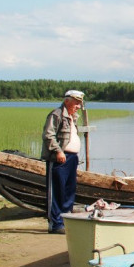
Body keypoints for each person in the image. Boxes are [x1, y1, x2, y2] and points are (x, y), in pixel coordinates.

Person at [41, 90, 84, 234]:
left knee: (69, 191)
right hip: (59, 157)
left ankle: (66, 221)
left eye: (80, 103)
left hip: (72, 158)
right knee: (57, 191)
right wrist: (58, 151)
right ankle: (55, 224)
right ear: (67, 101)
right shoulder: (57, 114)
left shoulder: (72, 117)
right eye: (76, 102)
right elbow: (48, 135)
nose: (78, 106)